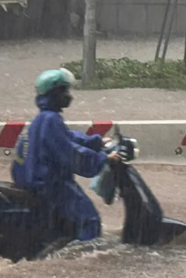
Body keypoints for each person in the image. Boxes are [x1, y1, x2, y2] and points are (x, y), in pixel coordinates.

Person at [11, 68, 119, 242]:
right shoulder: (50, 120)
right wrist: (103, 159)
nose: (69, 96)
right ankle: (85, 259)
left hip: (36, 182)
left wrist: (97, 142)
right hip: (50, 185)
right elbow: (70, 153)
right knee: (88, 220)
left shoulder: (44, 119)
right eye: (64, 91)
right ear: (54, 93)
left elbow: (69, 137)